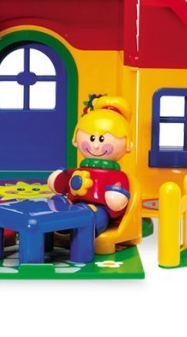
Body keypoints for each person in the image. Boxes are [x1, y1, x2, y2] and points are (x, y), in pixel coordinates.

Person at [47, 96, 132, 234]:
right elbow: (62, 183)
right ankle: (60, 216)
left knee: (92, 217)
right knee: (62, 206)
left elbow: (117, 199)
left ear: (128, 145)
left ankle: (81, 225)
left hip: (101, 209)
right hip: (75, 204)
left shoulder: (117, 176)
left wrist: (116, 196)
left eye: (102, 139)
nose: (96, 145)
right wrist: (59, 178)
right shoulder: (80, 169)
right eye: (92, 138)